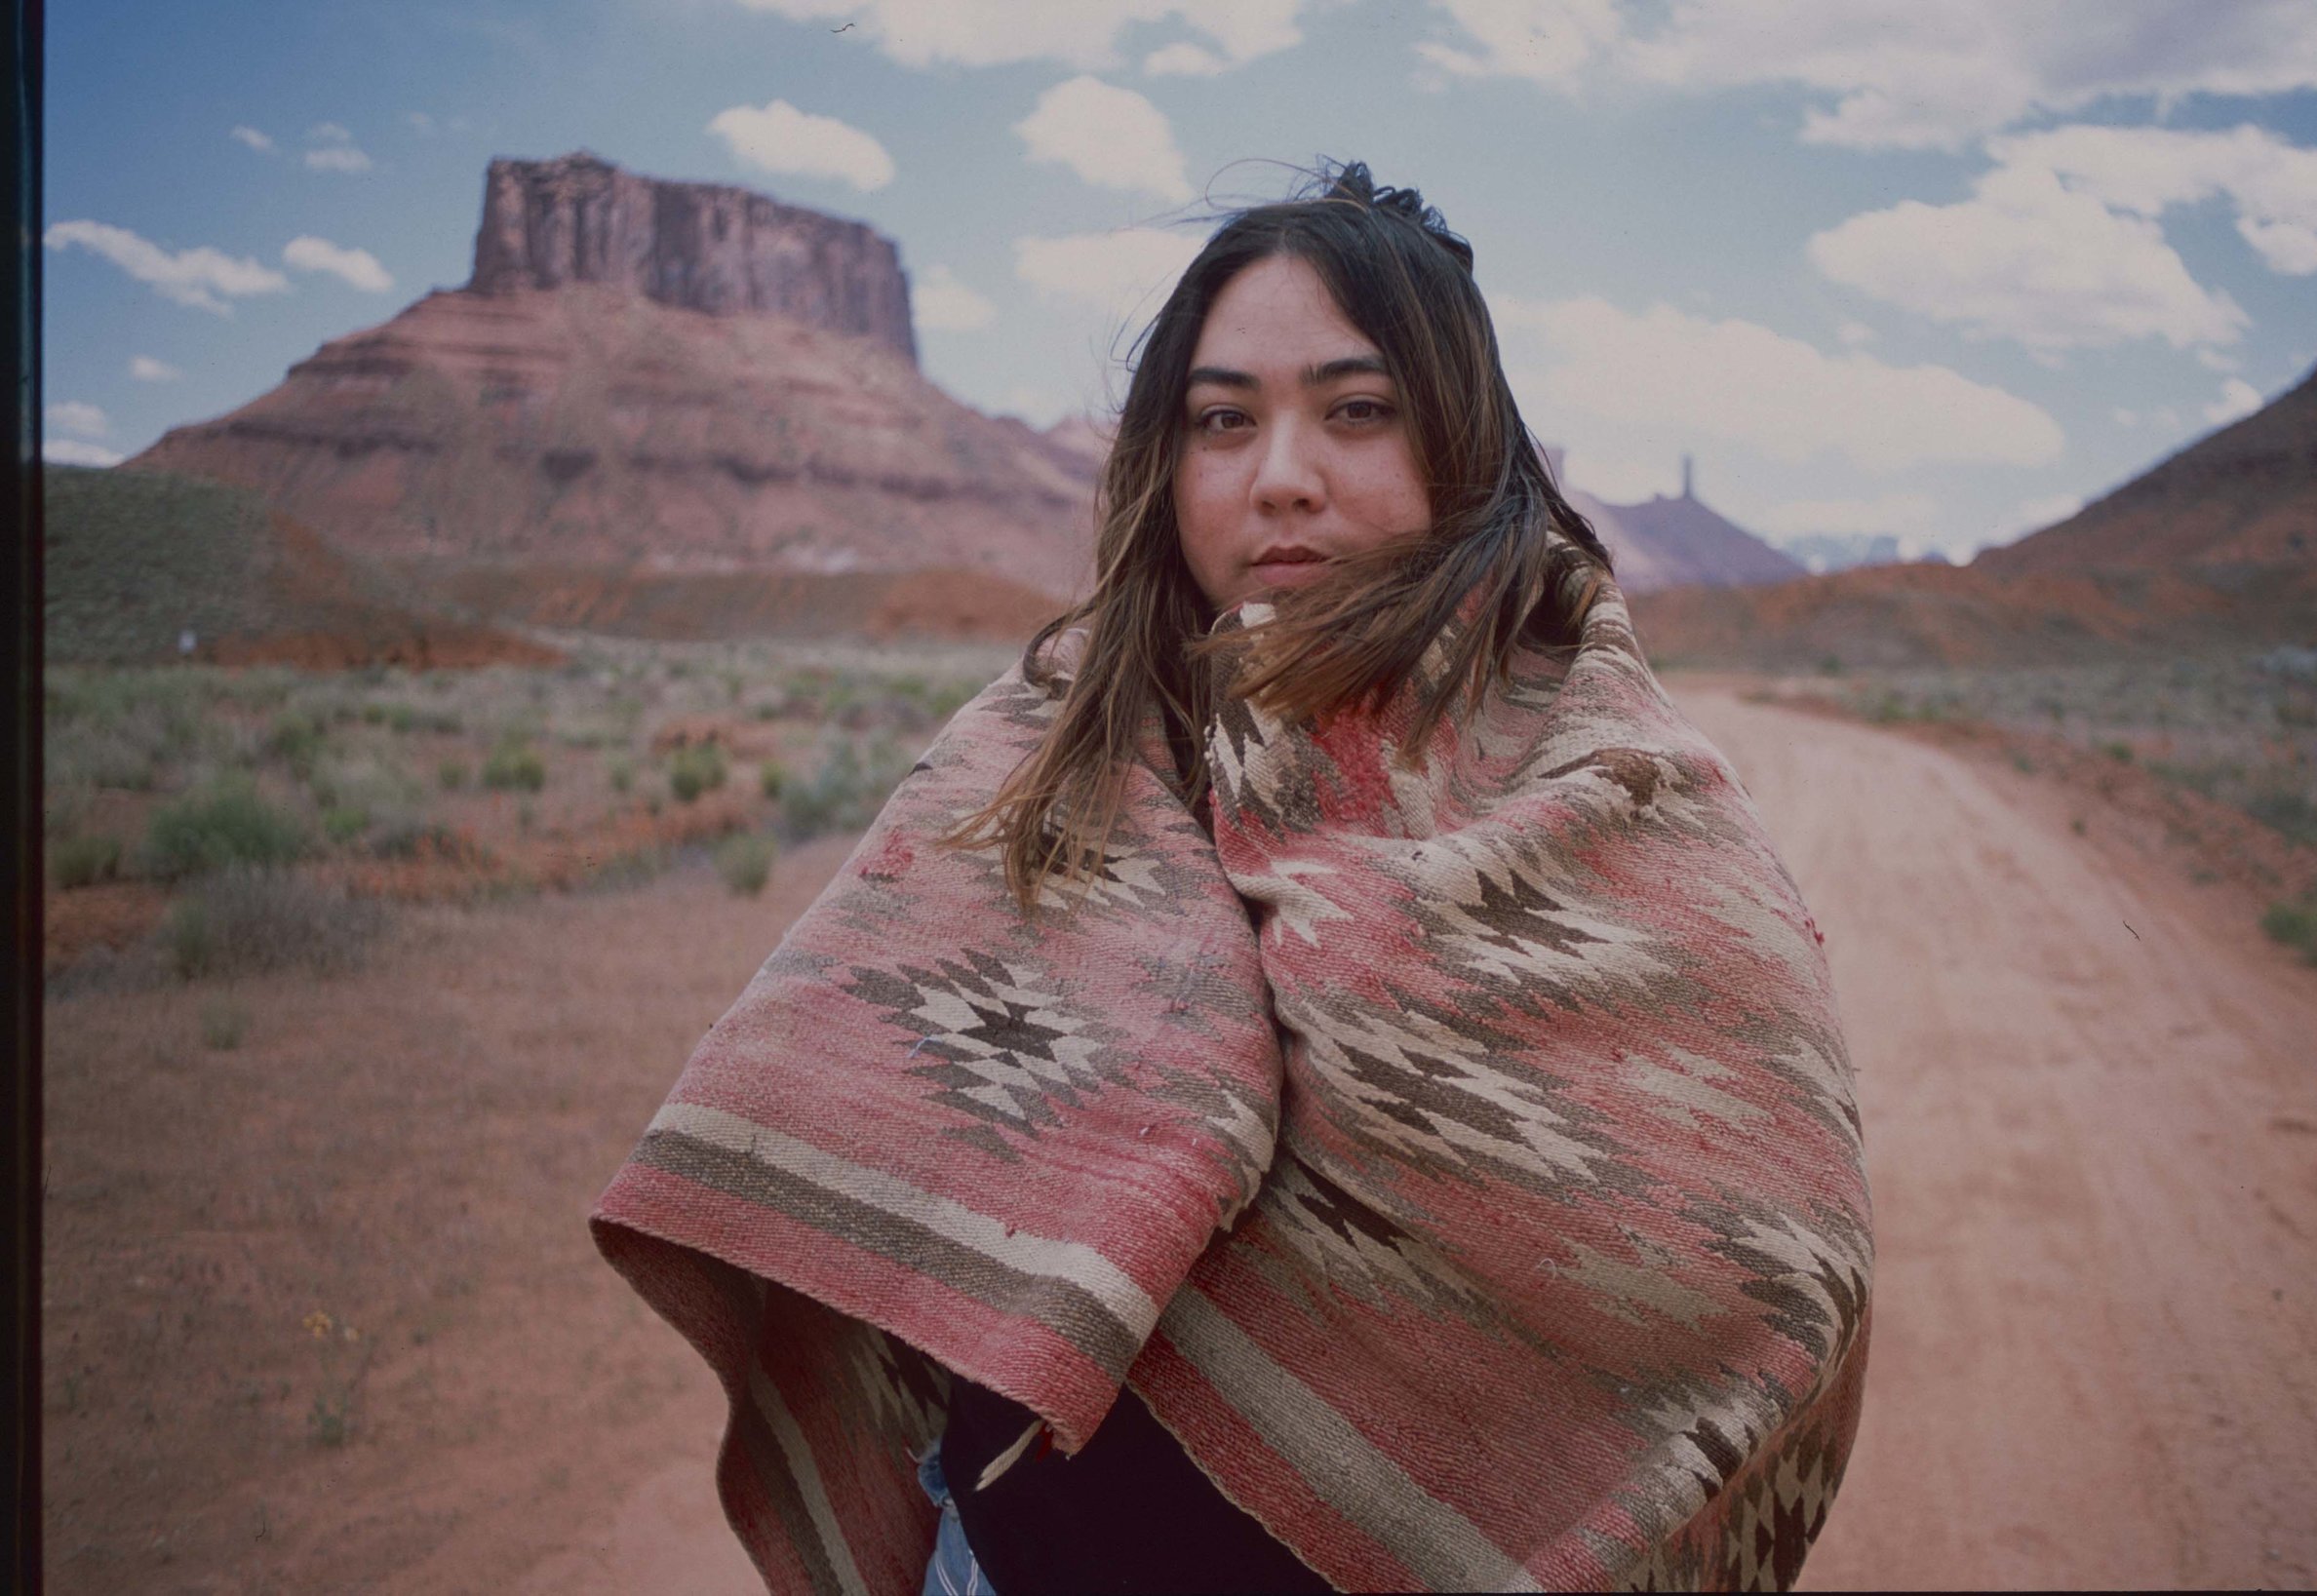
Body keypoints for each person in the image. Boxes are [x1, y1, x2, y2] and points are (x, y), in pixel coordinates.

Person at [593, 162, 1872, 1595]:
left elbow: (1780, 1268)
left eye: (1357, 409)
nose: (1281, 474)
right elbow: (864, 1116)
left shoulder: (1623, 803)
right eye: (1223, 419)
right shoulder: (1040, 751)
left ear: (1463, 442)